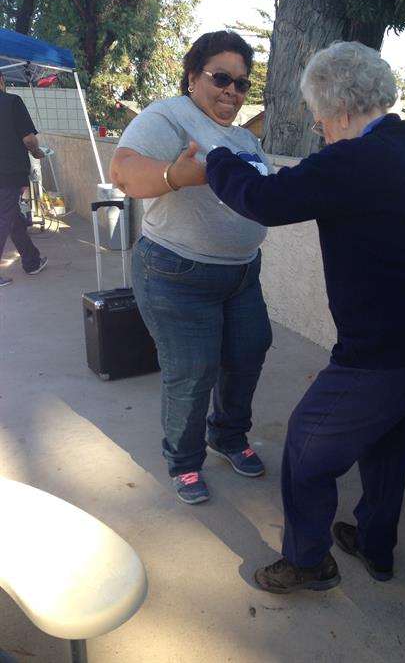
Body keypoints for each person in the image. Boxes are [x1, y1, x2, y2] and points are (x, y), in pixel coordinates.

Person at [176, 41, 405, 592]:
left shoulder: (354, 160)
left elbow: (265, 200)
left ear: (339, 110)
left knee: (308, 448)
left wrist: (216, 158)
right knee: (391, 444)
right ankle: (376, 546)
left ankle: (309, 560)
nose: (321, 132)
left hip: (388, 350)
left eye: (319, 122)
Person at [109, 31, 272, 505]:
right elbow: (123, 170)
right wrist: (172, 175)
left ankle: (227, 434)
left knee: (247, 354)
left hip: (242, 274)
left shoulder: (244, 138)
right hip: (176, 273)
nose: (232, 92)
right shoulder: (170, 115)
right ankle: (183, 461)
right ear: (193, 75)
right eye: (221, 78)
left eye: (242, 84)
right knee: (192, 370)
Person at [0, 71, 48, 286]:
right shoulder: (12, 102)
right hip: (8, 172)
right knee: (4, 218)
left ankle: (31, 261)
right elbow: (28, 138)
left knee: (12, 217)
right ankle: (31, 261)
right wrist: (37, 153)